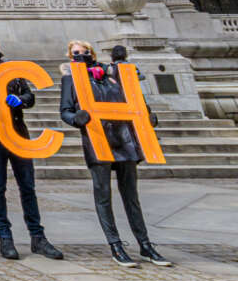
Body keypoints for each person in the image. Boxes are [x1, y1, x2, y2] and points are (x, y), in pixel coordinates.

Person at [60, 40, 171, 268]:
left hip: (125, 139)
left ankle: (145, 244)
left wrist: (147, 116)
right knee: (103, 196)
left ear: (93, 53)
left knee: (131, 196)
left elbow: (134, 100)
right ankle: (116, 245)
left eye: (85, 51)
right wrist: (75, 119)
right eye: (76, 53)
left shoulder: (113, 75)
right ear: (70, 57)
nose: (82, 55)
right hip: (98, 140)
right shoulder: (71, 79)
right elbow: (65, 110)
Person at [0, 30, 64, 261]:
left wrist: (21, 100)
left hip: (18, 134)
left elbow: (29, 96)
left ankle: (38, 237)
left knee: (28, 186)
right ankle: (5, 237)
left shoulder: (13, 69)